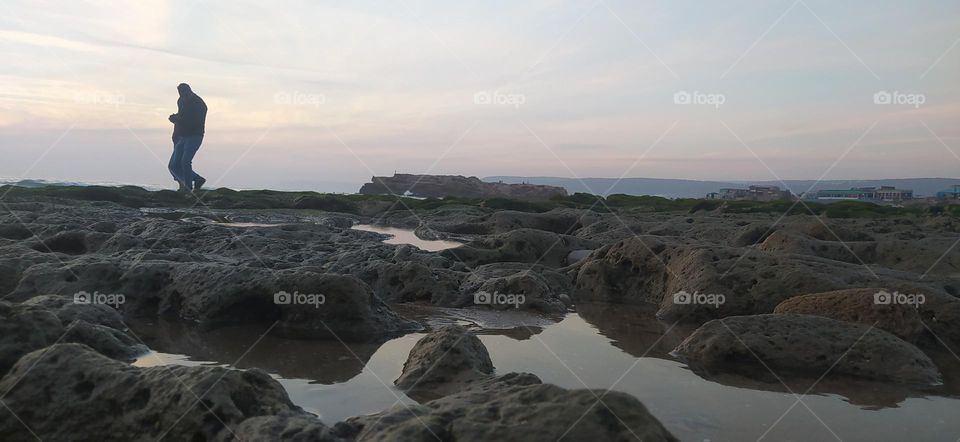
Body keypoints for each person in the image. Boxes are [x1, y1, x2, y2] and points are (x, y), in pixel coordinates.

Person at [167, 83, 207, 192]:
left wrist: (179, 119)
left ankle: (188, 187)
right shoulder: (181, 101)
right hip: (182, 136)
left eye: (185, 94)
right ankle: (197, 179)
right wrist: (175, 123)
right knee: (173, 165)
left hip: (195, 136)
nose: (183, 97)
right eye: (181, 94)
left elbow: (196, 122)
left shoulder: (199, 104)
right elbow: (181, 115)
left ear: (190, 91)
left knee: (185, 161)